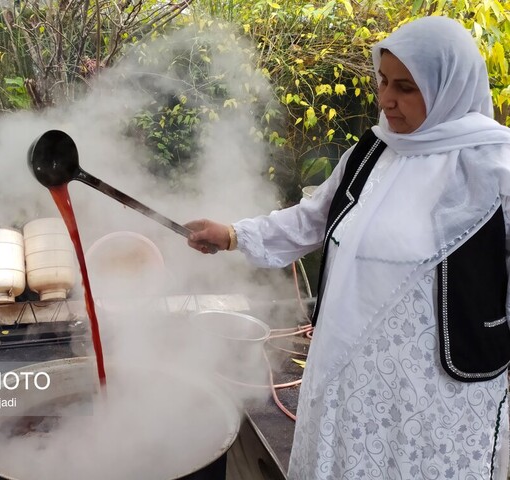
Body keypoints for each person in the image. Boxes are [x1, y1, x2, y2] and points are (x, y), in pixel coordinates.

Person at [186, 16, 510, 480]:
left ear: (449, 87)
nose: (385, 100)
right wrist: (233, 234)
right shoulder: (373, 151)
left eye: (405, 87)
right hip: (350, 376)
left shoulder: (495, 165)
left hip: (438, 392)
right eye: (382, 81)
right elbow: (312, 218)